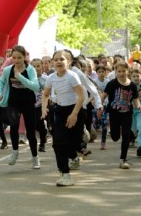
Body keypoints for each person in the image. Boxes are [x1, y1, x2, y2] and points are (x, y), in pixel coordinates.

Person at [42, 50, 85, 186]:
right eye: (56, 59)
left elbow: (81, 96)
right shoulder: (51, 78)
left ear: (69, 62)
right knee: (59, 143)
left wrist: (74, 114)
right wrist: (44, 108)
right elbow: (45, 94)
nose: (59, 62)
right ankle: (65, 174)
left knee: (74, 142)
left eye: (62, 59)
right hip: (60, 111)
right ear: (52, 63)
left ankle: (74, 157)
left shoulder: (72, 76)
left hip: (75, 110)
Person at [0, 45, 40, 169]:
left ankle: (35, 157)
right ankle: (15, 152)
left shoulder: (30, 69)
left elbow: (35, 87)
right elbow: (1, 82)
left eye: (19, 58)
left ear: (24, 57)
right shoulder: (8, 70)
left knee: (31, 131)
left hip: (28, 102)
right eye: (14, 57)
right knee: (13, 126)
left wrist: (20, 77)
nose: (16, 60)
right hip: (13, 102)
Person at [101, 61, 141, 169]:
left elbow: (135, 98)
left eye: (123, 71)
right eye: (119, 71)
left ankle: (123, 159)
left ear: (128, 71)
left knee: (126, 136)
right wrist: (99, 106)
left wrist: (138, 105)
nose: (121, 73)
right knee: (115, 137)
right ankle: (120, 131)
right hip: (114, 113)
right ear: (116, 72)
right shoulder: (112, 83)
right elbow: (104, 95)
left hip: (127, 113)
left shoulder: (132, 85)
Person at [31, 58, 48, 152]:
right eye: (33, 66)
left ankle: (42, 143)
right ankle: (43, 134)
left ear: (42, 66)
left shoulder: (46, 78)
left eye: (38, 66)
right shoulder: (29, 79)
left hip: (42, 105)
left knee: (40, 122)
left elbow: (50, 91)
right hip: (32, 105)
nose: (36, 68)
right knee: (34, 124)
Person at [94, 65, 109, 149]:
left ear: (105, 72)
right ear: (96, 73)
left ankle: (103, 142)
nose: (101, 73)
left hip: (106, 105)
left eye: (103, 71)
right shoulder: (95, 81)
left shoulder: (108, 81)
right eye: (99, 72)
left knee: (104, 123)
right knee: (96, 123)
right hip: (97, 105)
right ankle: (93, 132)